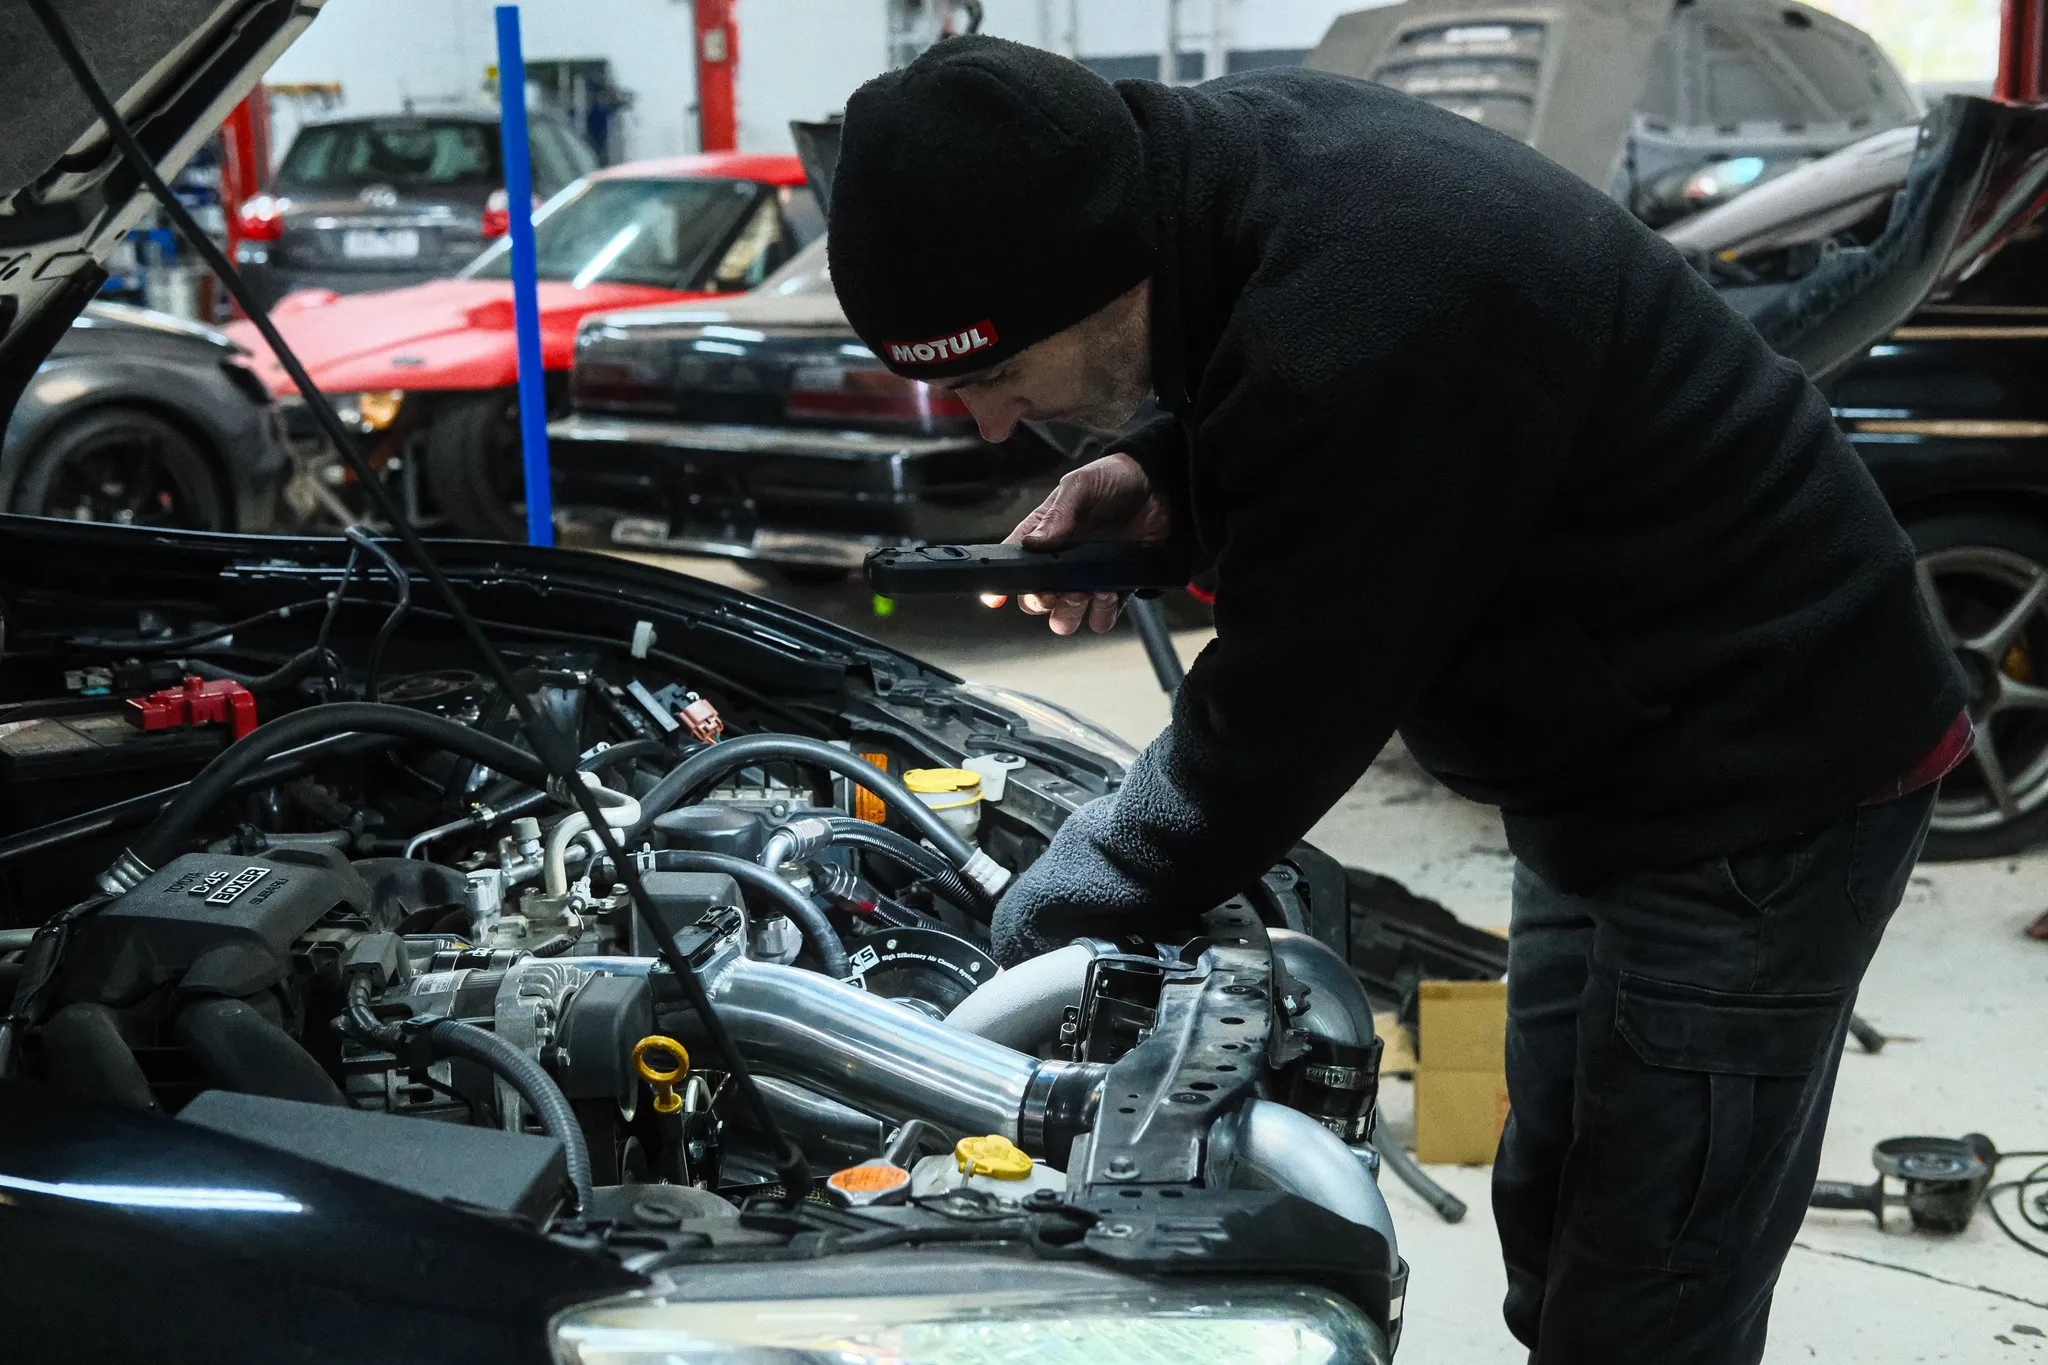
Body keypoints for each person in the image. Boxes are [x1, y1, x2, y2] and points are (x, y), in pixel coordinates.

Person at [825, 34, 1970, 1365]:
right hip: (1611, 759)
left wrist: (1031, 928)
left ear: (1096, 282)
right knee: (1558, 1207)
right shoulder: (1216, 182)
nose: (982, 425)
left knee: (1650, 1283)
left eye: (993, 375)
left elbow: (1271, 726)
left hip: (1769, 777)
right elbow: (1282, 393)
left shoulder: (1364, 298)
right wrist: (1163, 470)